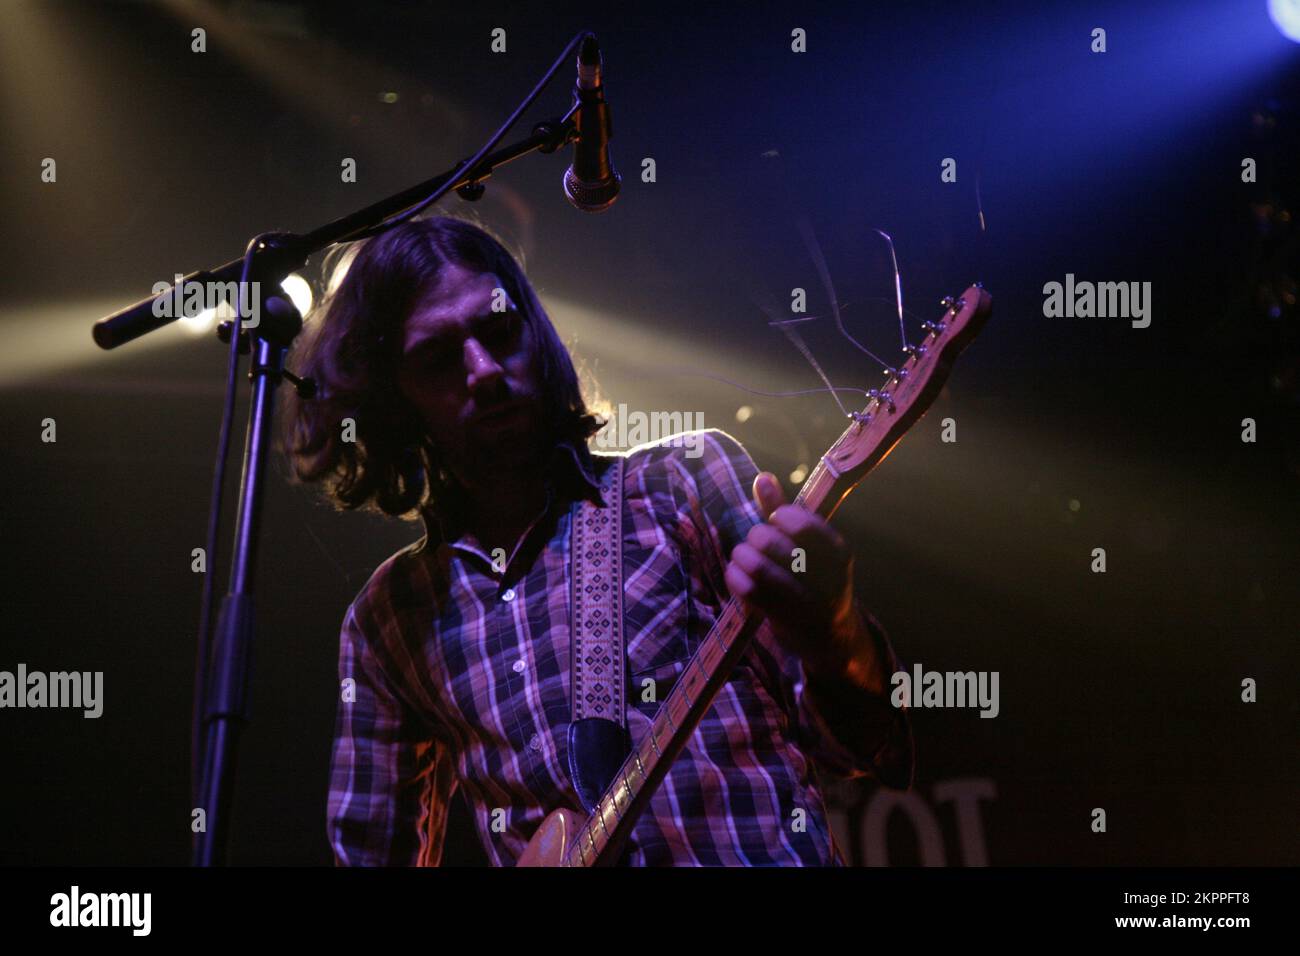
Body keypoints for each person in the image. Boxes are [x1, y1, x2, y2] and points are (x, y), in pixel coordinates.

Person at [282, 215, 914, 866]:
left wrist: (835, 631)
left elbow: (869, 751)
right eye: (440, 359)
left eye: (500, 332)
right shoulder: (390, 620)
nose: (485, 371)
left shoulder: (683, 482)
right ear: (393, 399)